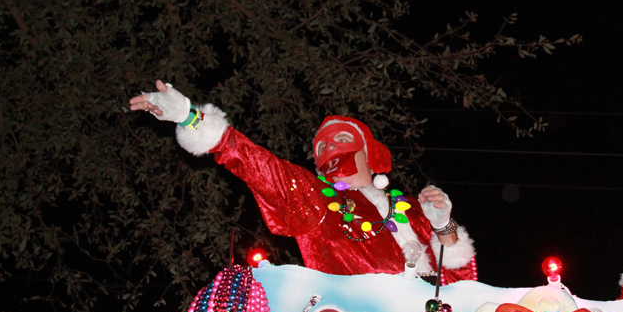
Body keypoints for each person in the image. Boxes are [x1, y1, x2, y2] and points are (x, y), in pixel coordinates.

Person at [130, 80, 476, 281]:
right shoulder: (316, 198)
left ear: (368, 153)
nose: (330, 150)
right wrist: (191, 117)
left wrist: (444, 227)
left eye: (340, 140)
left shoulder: (413, 208)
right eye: (321, 147)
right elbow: (260, 167)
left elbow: (463, 287)